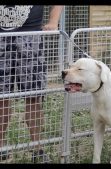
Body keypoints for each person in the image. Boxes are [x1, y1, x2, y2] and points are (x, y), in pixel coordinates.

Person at [0, 5, 64, 163]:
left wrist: (53, 21)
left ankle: (37, 149)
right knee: (1, 98)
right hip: (1, 39)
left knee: (34, 96)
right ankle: (1, 147)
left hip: (31, 38)